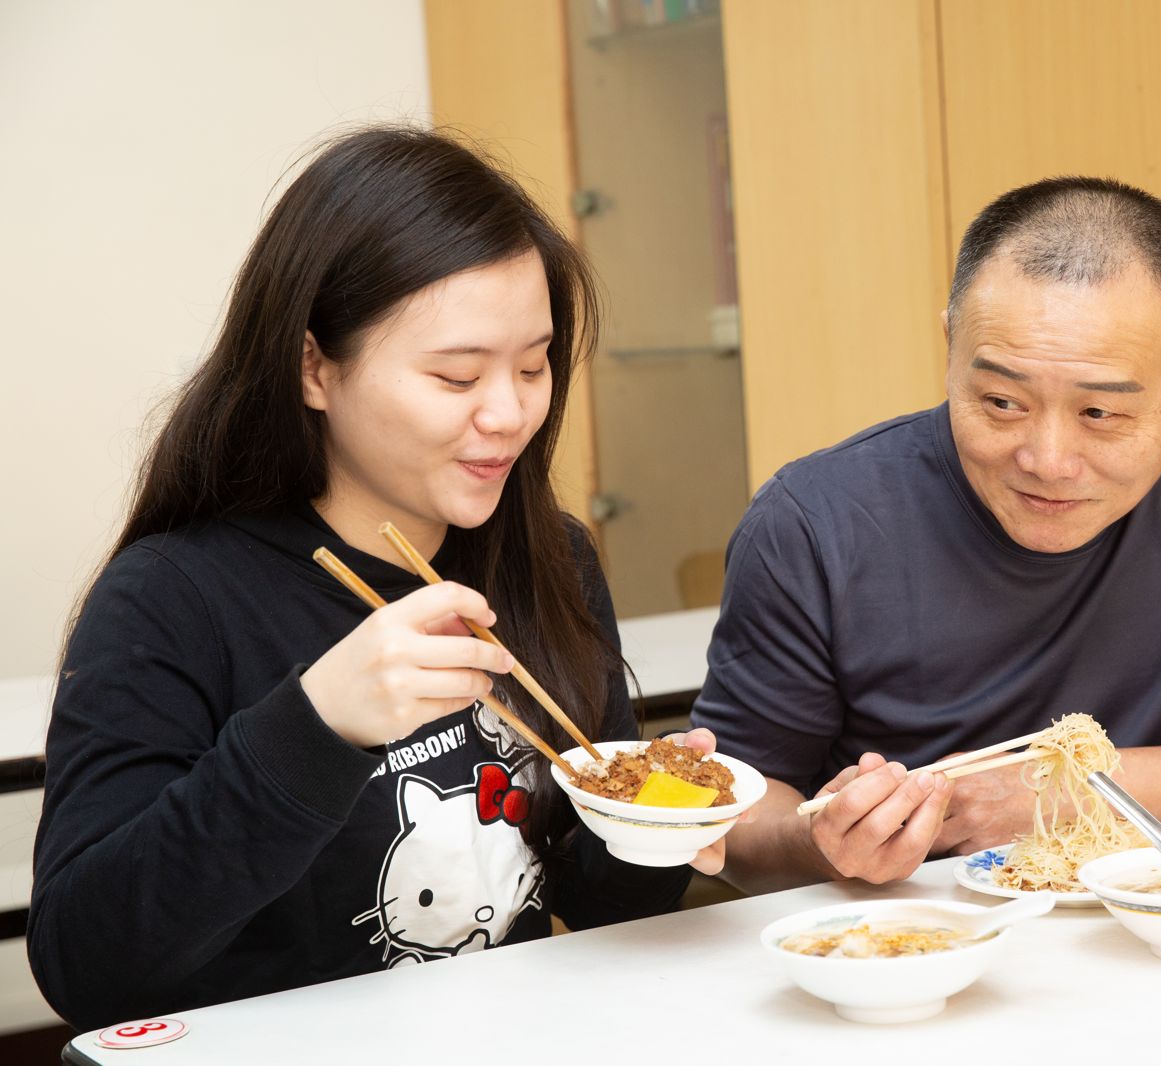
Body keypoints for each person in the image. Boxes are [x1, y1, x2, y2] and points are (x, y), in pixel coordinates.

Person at [29, 126, 726, 1030]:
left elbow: (601, 908)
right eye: (457, 376)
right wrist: (317, 725)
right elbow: (85, 967)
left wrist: (658, 830)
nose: (510, 412)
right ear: (314, 367)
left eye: (533, 365)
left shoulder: (546, 557)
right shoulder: (173, 598)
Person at [692, 177, 1161, 891]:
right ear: (951, 350)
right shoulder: (814, 520)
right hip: (916, 926)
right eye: (1003, 402)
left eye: (1100, 414)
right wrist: (822, 846)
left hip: (1153, 911)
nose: (1048, 462)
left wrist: (1071, 788)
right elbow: (733, 813)